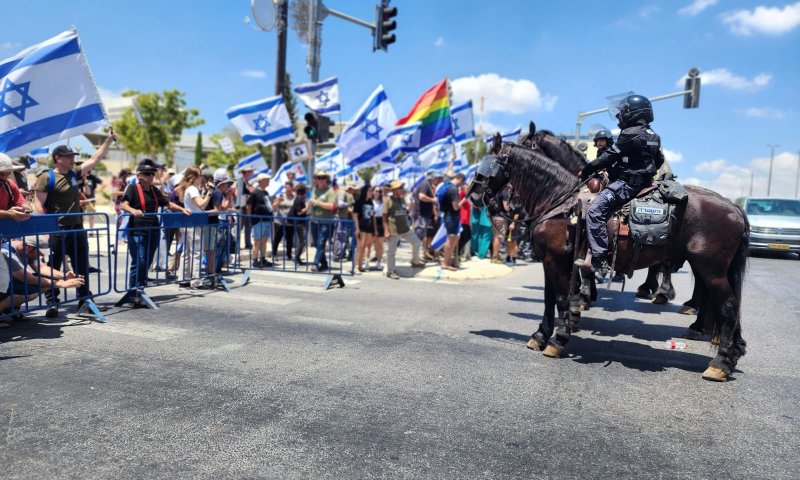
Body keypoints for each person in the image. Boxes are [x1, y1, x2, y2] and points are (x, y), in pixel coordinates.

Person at [577, 94, 665, 271]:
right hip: (646, 184)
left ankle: (599, 257)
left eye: (624, 112)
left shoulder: (630, 133)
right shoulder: (654, 135)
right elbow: (659, 160)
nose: (620, 116)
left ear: (634, 113)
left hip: (627, 186)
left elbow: (608, 157)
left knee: (594, 211)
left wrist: (586, 170)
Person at [33, 130, 116, 317]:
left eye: (73, 156)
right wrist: (46, 231)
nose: (73, 159)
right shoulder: (46, 177)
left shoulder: (73, 173)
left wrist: (109, 140)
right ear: (58, 158)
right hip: (58, 230)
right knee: (54, 267)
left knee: (81, 266)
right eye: (69, 156)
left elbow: (95, 159)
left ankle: (84, 300)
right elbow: (38, 206)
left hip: (77, 228)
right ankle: (52, 302)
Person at [119, 159, 190, 291]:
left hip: (153, 229)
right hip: (138, 229)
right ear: (139, 176)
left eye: (152, 173)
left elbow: (168, 203)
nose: (151, 176)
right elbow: (123, 204)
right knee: (139, 260)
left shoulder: (154, 190)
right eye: (147, 174)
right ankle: (133, 290)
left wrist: (182, 209)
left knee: (147, 260)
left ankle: (140, 287)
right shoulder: (133, 188)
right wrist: (133, 210)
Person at [383, 180, 425, 279]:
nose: (402, 189)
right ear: (394, 190)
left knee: (417, 243)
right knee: (391, 252)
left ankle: (415, 261)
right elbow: (384, 216)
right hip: (394, 229)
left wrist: (408, 198)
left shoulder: (402, 199)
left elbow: (409, 208)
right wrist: (386, 231)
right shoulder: (388, 200)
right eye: (400, 188)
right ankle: (390, 271)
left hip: (405, 228)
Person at [307, 171, 337, 272]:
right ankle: (324, 263)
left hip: (325, 222)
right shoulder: (314, 190)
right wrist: (308, 206)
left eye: (323, 177)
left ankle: (315, 263)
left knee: (320, 243)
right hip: (314, 221)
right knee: (316, 244)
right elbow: (311, 202)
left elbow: (331, 206)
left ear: (326, 179)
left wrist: (317, 203)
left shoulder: (330, 191)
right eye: (318, 178)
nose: (320, 180)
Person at [246, 173, 275, 268]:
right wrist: (251, 219)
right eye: (266, 180)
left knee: (264, 240)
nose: (268, 181)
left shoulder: (266, 192)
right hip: (258, 220)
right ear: (261, 181)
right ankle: (255, 260)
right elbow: (249, 206)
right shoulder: (254, 193)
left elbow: (268, 206)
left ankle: (263, 259)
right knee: (257, 241)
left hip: (267, 219)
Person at [438, 174, 462, 271]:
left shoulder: (447, 186)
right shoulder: (453, 189)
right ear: (460, 179)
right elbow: (456, 207)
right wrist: (463, 201)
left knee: (454, 238)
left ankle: (448, 261)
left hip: (448, 215)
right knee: (450, 239)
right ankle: (445, 263)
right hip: (451, 216)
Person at [413, 171, 439, 261]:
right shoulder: (425, 184)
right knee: (419, 236)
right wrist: (433, 200)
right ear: (431, 178)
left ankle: (420, 255)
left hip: (424, 214)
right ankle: (416, 256)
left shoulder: (428, 185)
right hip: (421, 215)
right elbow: (421, 196)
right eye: (436, 177)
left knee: (422, 235)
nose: (437, 179)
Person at [0, 153, 31, 221]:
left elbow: (23, 204)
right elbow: (9, 214)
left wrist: (26, 210)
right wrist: (8, 214)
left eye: (8, 174)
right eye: (1, 174)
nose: (5, 178)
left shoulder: (9, 184)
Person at [272, 181, 296, 263]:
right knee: (277, 238)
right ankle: (274, 253)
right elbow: (274, 206)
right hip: (279, 221)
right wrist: (278, 201)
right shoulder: (281, 195)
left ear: (292, 188)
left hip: (290, 222)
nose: (287, 189)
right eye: (286, 187)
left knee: (289, 239)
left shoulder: (295, 197)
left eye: (289, 187)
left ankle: (289, 254)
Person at [354, 185, 375, 273]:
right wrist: (357, 228)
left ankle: (360, 266)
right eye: (370, 191)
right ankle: (355, 266)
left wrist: (374, 229)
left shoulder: (371, 202)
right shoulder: (359, 202)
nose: (372, 193)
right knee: (359, 247)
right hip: (361, 227)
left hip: (369, 227)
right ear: (365, 191)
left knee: (365, 246)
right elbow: (355, 215)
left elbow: (372, 216)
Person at [288, 182, 310, 266]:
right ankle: (297, 258)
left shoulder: (300, 198)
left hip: (300, 222)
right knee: (302, 241)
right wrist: (308, 207)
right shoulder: (299, 199)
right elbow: (299, 212)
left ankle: (297, 257)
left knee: (302, 241)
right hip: (299, 223)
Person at [235, 165, 256, 249]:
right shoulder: (240, 180)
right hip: (242, 206)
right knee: (239, 226)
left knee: (248, 226)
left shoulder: (246, 181)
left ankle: (248, 243)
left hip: (246, 207)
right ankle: (236, 244)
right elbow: (239, 194)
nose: (252, 172)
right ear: (246, 172)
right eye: (250, 171)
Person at [456, 174, 472, 262]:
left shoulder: (466, 195)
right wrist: (468, 186)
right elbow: (465, 192)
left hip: (466, 218)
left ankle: (459, 252)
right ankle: (458, 253)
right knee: (465, 236)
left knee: (467, 236)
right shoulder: (463, 193)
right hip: (463, 217)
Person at [370, 185, 385, 272]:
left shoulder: (382, 202)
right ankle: (367, 261)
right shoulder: (370, 201)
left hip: (381, 222)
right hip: (371, 222)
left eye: (379, 191)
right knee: (370, 244)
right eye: (376, 191)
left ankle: (379, 262)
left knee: (380, 245)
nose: (378, 193)